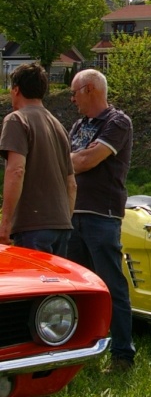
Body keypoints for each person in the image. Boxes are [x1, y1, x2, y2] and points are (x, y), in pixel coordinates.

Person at [67, 69, 135, 373]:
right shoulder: (78, 125)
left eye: (74, 93)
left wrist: (62, 161)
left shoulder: (117, 122)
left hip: (102, 216)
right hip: (73, 214)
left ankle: (122, 355)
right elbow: (75, 161)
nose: (72, 100)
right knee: (77, 289)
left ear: (90, 89)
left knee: (111, 286)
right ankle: (80, 353)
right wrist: (71, 161)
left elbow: (86, 160)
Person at [0, 63, 76, 255]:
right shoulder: (59, 126)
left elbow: (16, 170)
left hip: (32, 225)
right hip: (62, 225)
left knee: (34, 284)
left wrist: (5, 222)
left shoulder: (16, 119)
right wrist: (65, 219)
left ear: (16, 90)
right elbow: (72, 184)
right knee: (56, 285)